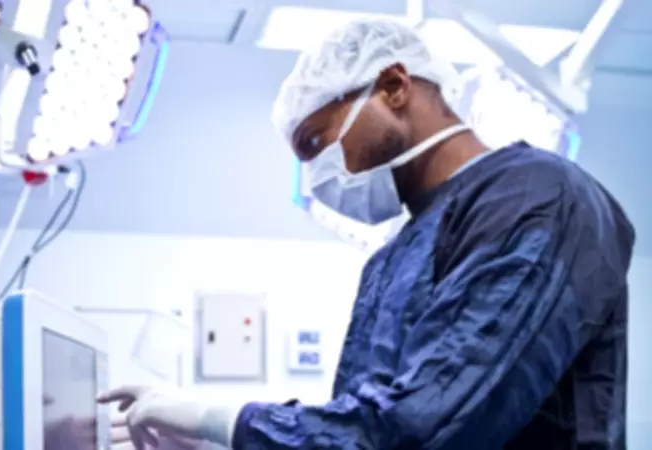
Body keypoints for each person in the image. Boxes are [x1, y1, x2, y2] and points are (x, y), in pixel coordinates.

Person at [97, 18, 635, 450]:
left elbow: (424, 426)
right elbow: (360, 428)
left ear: (394, 87)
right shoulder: (392, 256)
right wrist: (221, 441)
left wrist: (223, 419)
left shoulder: (537, 199)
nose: (317, 175)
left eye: (316, 144)